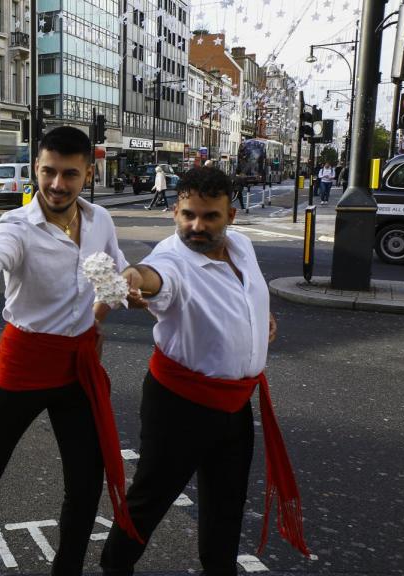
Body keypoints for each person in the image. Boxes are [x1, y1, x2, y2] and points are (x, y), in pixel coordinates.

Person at [0, 125, 141, 576]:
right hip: (24, 364)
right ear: (35, 168)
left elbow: (116, 269)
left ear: (89, 173)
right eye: (48, 172)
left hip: (77, 368)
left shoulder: (100, 221)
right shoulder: (16, 226)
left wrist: (119, 294)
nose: (57, 184)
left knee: (85, 483)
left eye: (70, 174)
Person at [101, 166, 309, 576]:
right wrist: (132, 279)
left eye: (210, 216)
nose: (197, 226)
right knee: (149, 502)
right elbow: (153, 278)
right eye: (188, 215)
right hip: (179, 407)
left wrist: (259, 319)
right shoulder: (172, 261)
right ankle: (114, 568)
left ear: (230, 216)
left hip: (234, 404)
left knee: (226, 506)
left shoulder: (241, 245)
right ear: (175, 212)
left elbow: (246, 293)